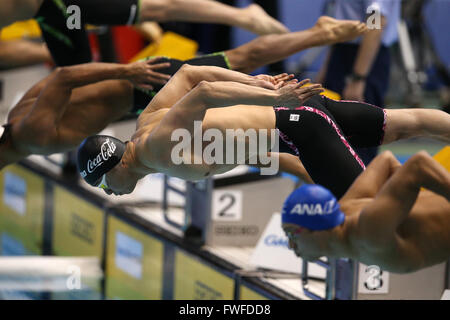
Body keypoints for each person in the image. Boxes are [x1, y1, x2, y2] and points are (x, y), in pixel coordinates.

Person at [0, 16, 368, 170]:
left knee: (243, 59)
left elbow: (63, 76)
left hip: (141, 86)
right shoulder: (18, 121)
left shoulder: (28, 133)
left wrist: (127, 69)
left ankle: (320, 34)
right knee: (242, 62)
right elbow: (58, 81)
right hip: (135, 92)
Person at [75, 64, 450, 198]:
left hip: (296, 124)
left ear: (115, 167)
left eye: (105, 186)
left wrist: (273, 96)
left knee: (371, 208)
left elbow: (202, 94)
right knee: (407, 124)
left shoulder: (156, 149)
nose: (112, 193)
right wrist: (262, 85)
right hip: (294, 114)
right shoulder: (146, 124)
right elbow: (189, 74)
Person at [282, 150, 450, 274]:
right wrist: (407, 203)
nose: (290, 245)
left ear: (318, 228)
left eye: (291, 234)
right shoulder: (348, 205)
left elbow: (418, 165)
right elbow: (385, 160)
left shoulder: (369, 231)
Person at [1, 0, 288, 66]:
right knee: (75, 80)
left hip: (63, 5)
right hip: (51, 14)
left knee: (159, 9)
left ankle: (242, 15)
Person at [319, 0, 401, 165]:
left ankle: (362, 184)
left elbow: (375, 25)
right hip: (342, 54)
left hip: (363, 57)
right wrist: (325, 70)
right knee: (330, 129)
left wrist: (358, 77)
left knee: (360, 135)